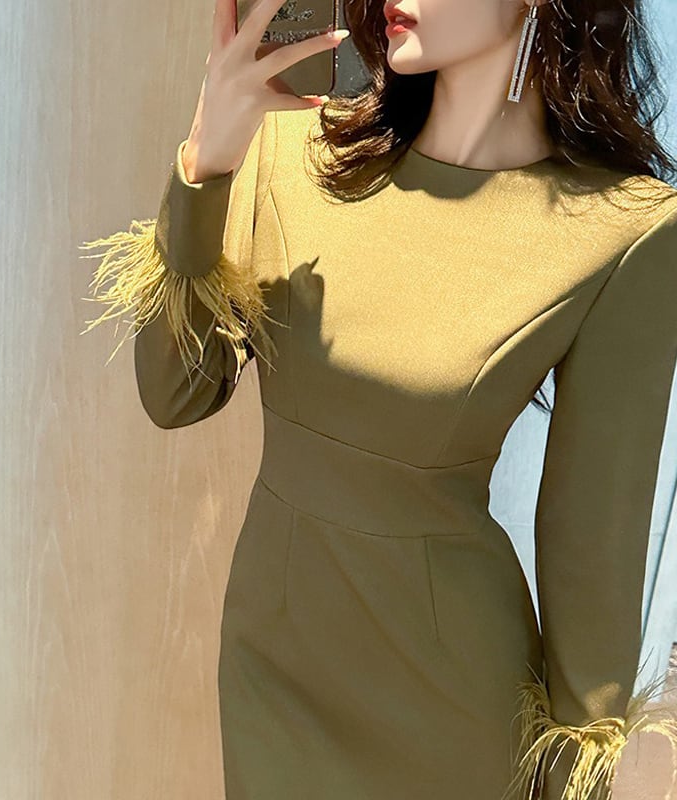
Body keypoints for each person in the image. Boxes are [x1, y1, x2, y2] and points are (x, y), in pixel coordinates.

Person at [79, 0, 677, 797]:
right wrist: (206, 160)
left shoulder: (625, 229)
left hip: (454, 710)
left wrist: (573, 776)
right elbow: (174, 392)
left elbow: (592, 542)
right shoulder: (291, 148)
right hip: (272, 671)